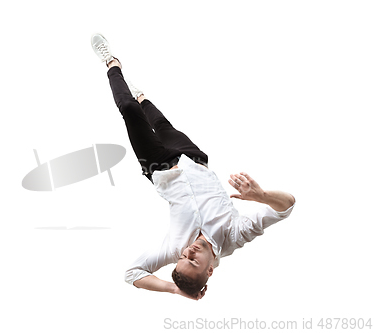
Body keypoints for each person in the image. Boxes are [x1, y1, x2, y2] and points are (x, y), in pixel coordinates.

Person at [91, 33, 296, 300]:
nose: (188, 252)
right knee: (161, 123)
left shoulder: (174, 248)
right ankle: (140, 95)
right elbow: (288, 206)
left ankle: (111, 63)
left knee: (129, 110)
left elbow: (132, 273)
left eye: (184, 258)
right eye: (194, 260)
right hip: (193, 159)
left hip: (159, 167)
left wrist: (174, 288)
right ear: (210, 271)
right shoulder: (235, 234)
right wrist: (261, 196)